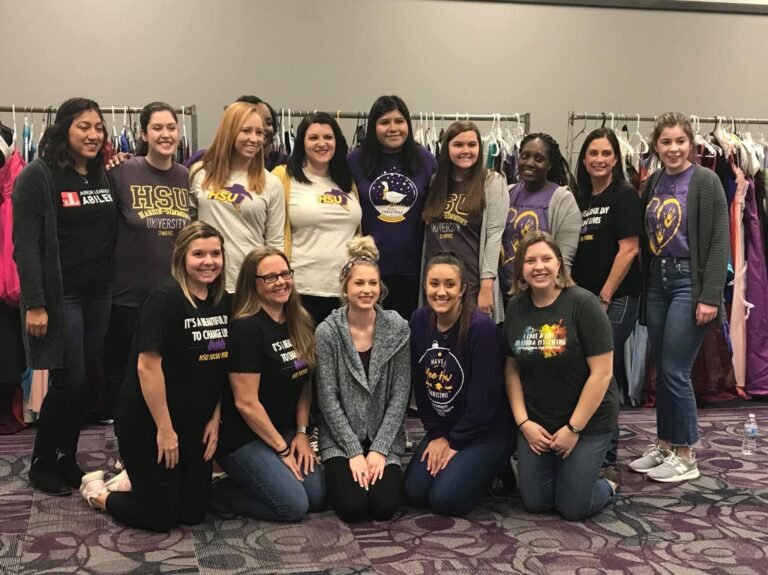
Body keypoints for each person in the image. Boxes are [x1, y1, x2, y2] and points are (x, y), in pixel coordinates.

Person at [81, 222, 230, 532]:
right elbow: (147, 367)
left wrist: (214, 418)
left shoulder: (221, 300)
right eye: (198, 254)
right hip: (149, 420)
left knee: (193, 513)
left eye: (215, 253)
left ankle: (138, 477)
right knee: (158, 517)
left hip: (192, 421)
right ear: (181, 257)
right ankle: (99, 493)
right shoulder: (166, 297)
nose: (209, 261)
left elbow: (217, 366)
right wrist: (165, 429)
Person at [13, 98, 117, 495]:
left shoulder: (101, 175)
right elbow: (25, 246)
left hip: (99, 292)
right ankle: (42, 461)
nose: (93, 135)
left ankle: (66, 456)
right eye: (83, 127)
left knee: (84, 379)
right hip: (60, 297)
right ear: (63, 130)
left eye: (98, 128)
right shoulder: (37, 176)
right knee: (68, 378)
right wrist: (35, 303)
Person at [629, 113, 728, 483]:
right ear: (656, 145)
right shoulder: (653, 181)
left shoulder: (707, 181)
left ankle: (686, 453)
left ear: (692, 144)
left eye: (680, 142)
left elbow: (719, 242)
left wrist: (710, 296)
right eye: (666, 142)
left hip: (690, 281)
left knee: (675, 369)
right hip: (657, 280)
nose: (673, 149)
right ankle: (665, 443)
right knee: (661, 367)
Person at [504, 231, 617, 520]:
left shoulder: (583, 304)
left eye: (546, 258)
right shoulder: (516, 307)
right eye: (530, 261)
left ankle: (609, 483)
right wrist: (524, 422)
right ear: (520, 270)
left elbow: (602, 374)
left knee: (573, 507)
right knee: (536, 502)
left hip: (586, 423)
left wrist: (573, 428)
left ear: (559, 265)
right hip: (537, 421)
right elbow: (512, 369)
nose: (538, 266)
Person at [210, 246, 325, 521]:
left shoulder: (300, 320)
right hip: (244, 437)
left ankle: (258, 479)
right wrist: (282, 450)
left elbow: (304, 384)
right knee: (293, 506)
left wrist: (301, 433)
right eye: (270, 277)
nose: (281, 282)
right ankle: (208, 495)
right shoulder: (246, 328)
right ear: (252, 283)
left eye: (285, 274)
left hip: (283, 429)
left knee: (318, 497)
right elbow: (245, 403)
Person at [404, 253, 513, 516]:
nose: (441, 292)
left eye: (450, 284)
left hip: (485, 431)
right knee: (414, 494)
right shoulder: (418, 322)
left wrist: (453, 443)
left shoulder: (481, 330)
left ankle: (499, 467)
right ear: (425, 286)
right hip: (445, 428)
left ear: (463, 289)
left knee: (445, 499)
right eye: (434, 284)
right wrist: (437, 434)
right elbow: (422, 386)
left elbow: (484, 403)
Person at [104, 101, 190, 420]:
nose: (165, 134)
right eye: (157, 128)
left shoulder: (185, 176)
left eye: (171, 127)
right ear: (143, 134)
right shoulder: (122, 170)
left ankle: (163, 437)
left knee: (169, 372)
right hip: (129, 295)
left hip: (173, 295)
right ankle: (126, 450)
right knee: (125, 376)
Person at [315, 236, 410, 522]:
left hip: (386, 435)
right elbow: (327, 398)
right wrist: (355, 452)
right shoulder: (327, 332)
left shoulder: (397, 327)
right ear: (345, 287)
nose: (366, 290)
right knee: (354, 508)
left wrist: (379, 449)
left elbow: (400, 394)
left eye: (372, 283)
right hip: (342, 439)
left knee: (383, 508)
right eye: (359, 283)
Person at [571, 128, 642, 471]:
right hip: (585, 301)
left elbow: (629, 250)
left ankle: (607, 456)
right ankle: (589, 444)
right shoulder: (582, 198)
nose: (599, 160)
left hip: (615, 300)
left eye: (606, 153)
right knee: (587, 370)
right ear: (583, 160)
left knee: (603, 372)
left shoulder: (624, 195)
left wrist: (604, 295)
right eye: (593, 154)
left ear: (616, 158)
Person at [348, 95, 438, 320]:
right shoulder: (354, 161)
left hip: (413, 269)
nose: (393, 128)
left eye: (399, 121)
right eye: (385, 122)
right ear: (373, 127)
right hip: (368, 269)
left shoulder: (425, 160)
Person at [272, 112, 361, 325]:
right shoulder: (283, 177)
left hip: (344, 292)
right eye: (313, 138)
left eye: (328, 137)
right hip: (301, 289)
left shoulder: (347, 182)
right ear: (302, 142)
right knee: (303, 357)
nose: (322, 143)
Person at [189, 102, 285, 292]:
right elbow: (189, 228)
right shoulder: (200, 173)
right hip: (206, 282)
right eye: (246, 131)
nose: (254, 139)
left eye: (259, 133)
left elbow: (275, 244)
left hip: (249, 285)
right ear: (229, 132)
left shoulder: (272, 183)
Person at [422, 121, 507, 322]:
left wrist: (487, 287)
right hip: (437, 286)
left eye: (472, 145)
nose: (466, 150)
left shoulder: (492, 182)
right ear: (446, 148)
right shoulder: (436, 182)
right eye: (458, 145)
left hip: (472, 284)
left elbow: (494, 237)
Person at [500, 133, 581, 302]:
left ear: (550, 164)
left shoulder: (563, 200)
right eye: (525, 156)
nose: (529, 163)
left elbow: (564, 261)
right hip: (505, 296)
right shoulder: (506, 193)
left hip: (543, 298)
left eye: (538, 158)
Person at [185, 96, 288, 171]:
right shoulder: (204, 160)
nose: (262, 127)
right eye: (247, 129)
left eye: (268, 123)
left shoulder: (282, 164)